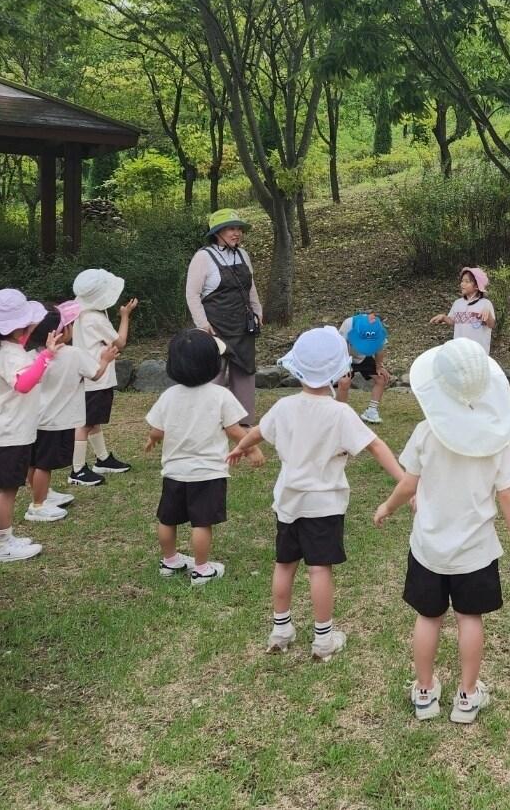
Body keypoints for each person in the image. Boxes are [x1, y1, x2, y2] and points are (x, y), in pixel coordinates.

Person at [226, 327, 405, 661]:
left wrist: (239, 446)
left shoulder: (283, 406)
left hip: (288, 502)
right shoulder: (340, 413)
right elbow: (375, 446)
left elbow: (259, 433)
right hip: (324, 506)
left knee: (284, 564)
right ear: (339, 371)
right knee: (319, 569)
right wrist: (404, 481)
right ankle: (323, 638)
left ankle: (280, 629)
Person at [374, 338, 510, 724]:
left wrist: (387, 507)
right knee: (469, 619)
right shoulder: (495, 439)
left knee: (428, 618)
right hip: (476, 551)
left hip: (428, 547)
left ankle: (424, 691)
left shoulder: (426, 432)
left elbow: (409, 484)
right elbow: (508, 494)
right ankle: (467, 695)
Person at [145, 330, 262, 586]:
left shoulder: (169, 396)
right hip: (208, 473)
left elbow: (157, 429)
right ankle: (201, 569)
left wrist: (153, 439)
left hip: (174, 471)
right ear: (214, 364)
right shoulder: (220, 396)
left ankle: (169, 560)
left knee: (167, 519)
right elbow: (234, 430)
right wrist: (251, 448)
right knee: (201, 522)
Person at [0, 289, 60, 564]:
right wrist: (46, 357)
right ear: (16, 325)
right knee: (6, 491)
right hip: (9, 434)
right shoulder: (12, 354)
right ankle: (1, 545)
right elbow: (23, 384)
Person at [24, 301, 117, 521]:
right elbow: (95, 374)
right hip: (55, 421)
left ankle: (43, 494)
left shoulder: (32, 356)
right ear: (61, 332)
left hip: (33, 418)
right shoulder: (74, 354)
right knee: (44, 465)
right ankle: (38, 505)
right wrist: (105, 359)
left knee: (33, 461)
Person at [186, 208, 263, 425]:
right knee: (214, 374)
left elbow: (250, 287)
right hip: (215, 326)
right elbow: (192, 293)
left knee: (245, 370)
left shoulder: (243, 254)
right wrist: (202, 324)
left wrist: (257, 311)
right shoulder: (203, 257)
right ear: (217, 232)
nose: (236, 233)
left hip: (243, 324)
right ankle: (210, 421)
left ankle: (244, 421)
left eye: (238, 228)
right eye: (230, 228)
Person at [70, 268, 138, 484]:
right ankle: (77, 470)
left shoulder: (78, 312)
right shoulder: (95, 318)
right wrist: (125, 317)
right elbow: (120, 342)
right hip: (96, 376)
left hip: (86, 374)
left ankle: (102, 458)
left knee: (93, 420)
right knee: (85, 423)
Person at [339, 313, 391, 424]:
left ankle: (371, 412)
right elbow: (342, 345)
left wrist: (379, 367)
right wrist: (346, 366)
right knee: (343, 382)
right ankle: (339, 414)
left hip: (362, 356)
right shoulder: (349, 323)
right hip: (345, 356)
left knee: (381, 378)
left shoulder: (379, 328)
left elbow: (380, 349)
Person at [431, 266, 496, 355]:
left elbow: (491, 324)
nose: (462, 284)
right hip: (459, 353)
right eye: (462, 281)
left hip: (478, 355)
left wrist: (488, 314)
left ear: (477, 286)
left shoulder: (485, 304)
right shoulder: (457, 303)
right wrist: (444, 317)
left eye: (467, 282)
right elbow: (453, 321)